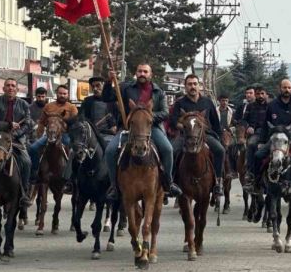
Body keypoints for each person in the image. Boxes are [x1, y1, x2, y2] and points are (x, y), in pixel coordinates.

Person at [103, 63, 182, 200]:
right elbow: (107, 97)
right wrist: (109, 81)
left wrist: (146, 117)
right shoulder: (125, 88)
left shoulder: (158, 92)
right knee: (110, 151)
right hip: (129, 127)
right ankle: (114, 186)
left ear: (150, 74)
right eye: (140, 71)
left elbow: (164, 113)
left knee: (168, 149)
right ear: (136, 73)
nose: (142, 74)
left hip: (152, 127)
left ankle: (168, 183)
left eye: (145, 72)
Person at [0, 78, 33, 208]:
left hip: (16, 140)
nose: (10, 88)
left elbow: (28, 123)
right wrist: (7, 125)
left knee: (27, 161)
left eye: (13, 86)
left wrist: (15, 134)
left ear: (17, 89)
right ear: (3, 88)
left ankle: (24, 193)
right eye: (8, 85)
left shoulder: (24, 104)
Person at [170, 74, 225, 197]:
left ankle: (218, 181)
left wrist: (219, 137)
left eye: (195, 84)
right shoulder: (180, 103)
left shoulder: (207, 102)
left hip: (205, 135)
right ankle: (171, 182)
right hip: (185, 135)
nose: (192, 87)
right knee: (172, 151)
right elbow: (173, 121)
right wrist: (184, 127)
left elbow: (215, 122)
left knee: (220, 150)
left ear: (199, 86)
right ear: (185, 87)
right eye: (189, 84)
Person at [29, 84, 78, 194]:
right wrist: (38, 135)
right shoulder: (48, 106)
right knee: (33, 148)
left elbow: (75, 124)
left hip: (65, 134)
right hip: (49, 134)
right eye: (60, 93)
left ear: (67, 95)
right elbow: (41, 122)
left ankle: (70, 179)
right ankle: (36, 173)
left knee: (73, 152)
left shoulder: (72, 108)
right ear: (57, 94)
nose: (62, 95)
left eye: (64, 94)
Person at [241, 85, 269, 189]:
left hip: (269, 133)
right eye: (258, 94)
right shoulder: (250, 106)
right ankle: (250, 173)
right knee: (251, 144)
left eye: (262, 93)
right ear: (255, 95)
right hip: (256, 133)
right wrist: (248, 127)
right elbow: (243, 120)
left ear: (266, 94)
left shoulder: (271, 106)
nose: (260, 96)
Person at [79, 76, 117, 147]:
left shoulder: (112, 101)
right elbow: (81, 118)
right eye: (93, 86)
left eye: (98, 85)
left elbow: (118, 118)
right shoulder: (87, 101)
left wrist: (115, 126)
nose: (95, 89)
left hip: (108, 135)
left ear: (104, 85)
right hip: (90, 135)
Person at [217, 94, 236, 174]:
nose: (224, 102)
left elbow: (235, 123)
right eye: (222, 101)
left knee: (234, 146)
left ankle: (233, 168)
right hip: (218, 133)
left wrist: (231, 129)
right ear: (219, 101)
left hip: (229, 133)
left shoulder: (232, 112)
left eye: (226, 101)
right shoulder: (215, 111)